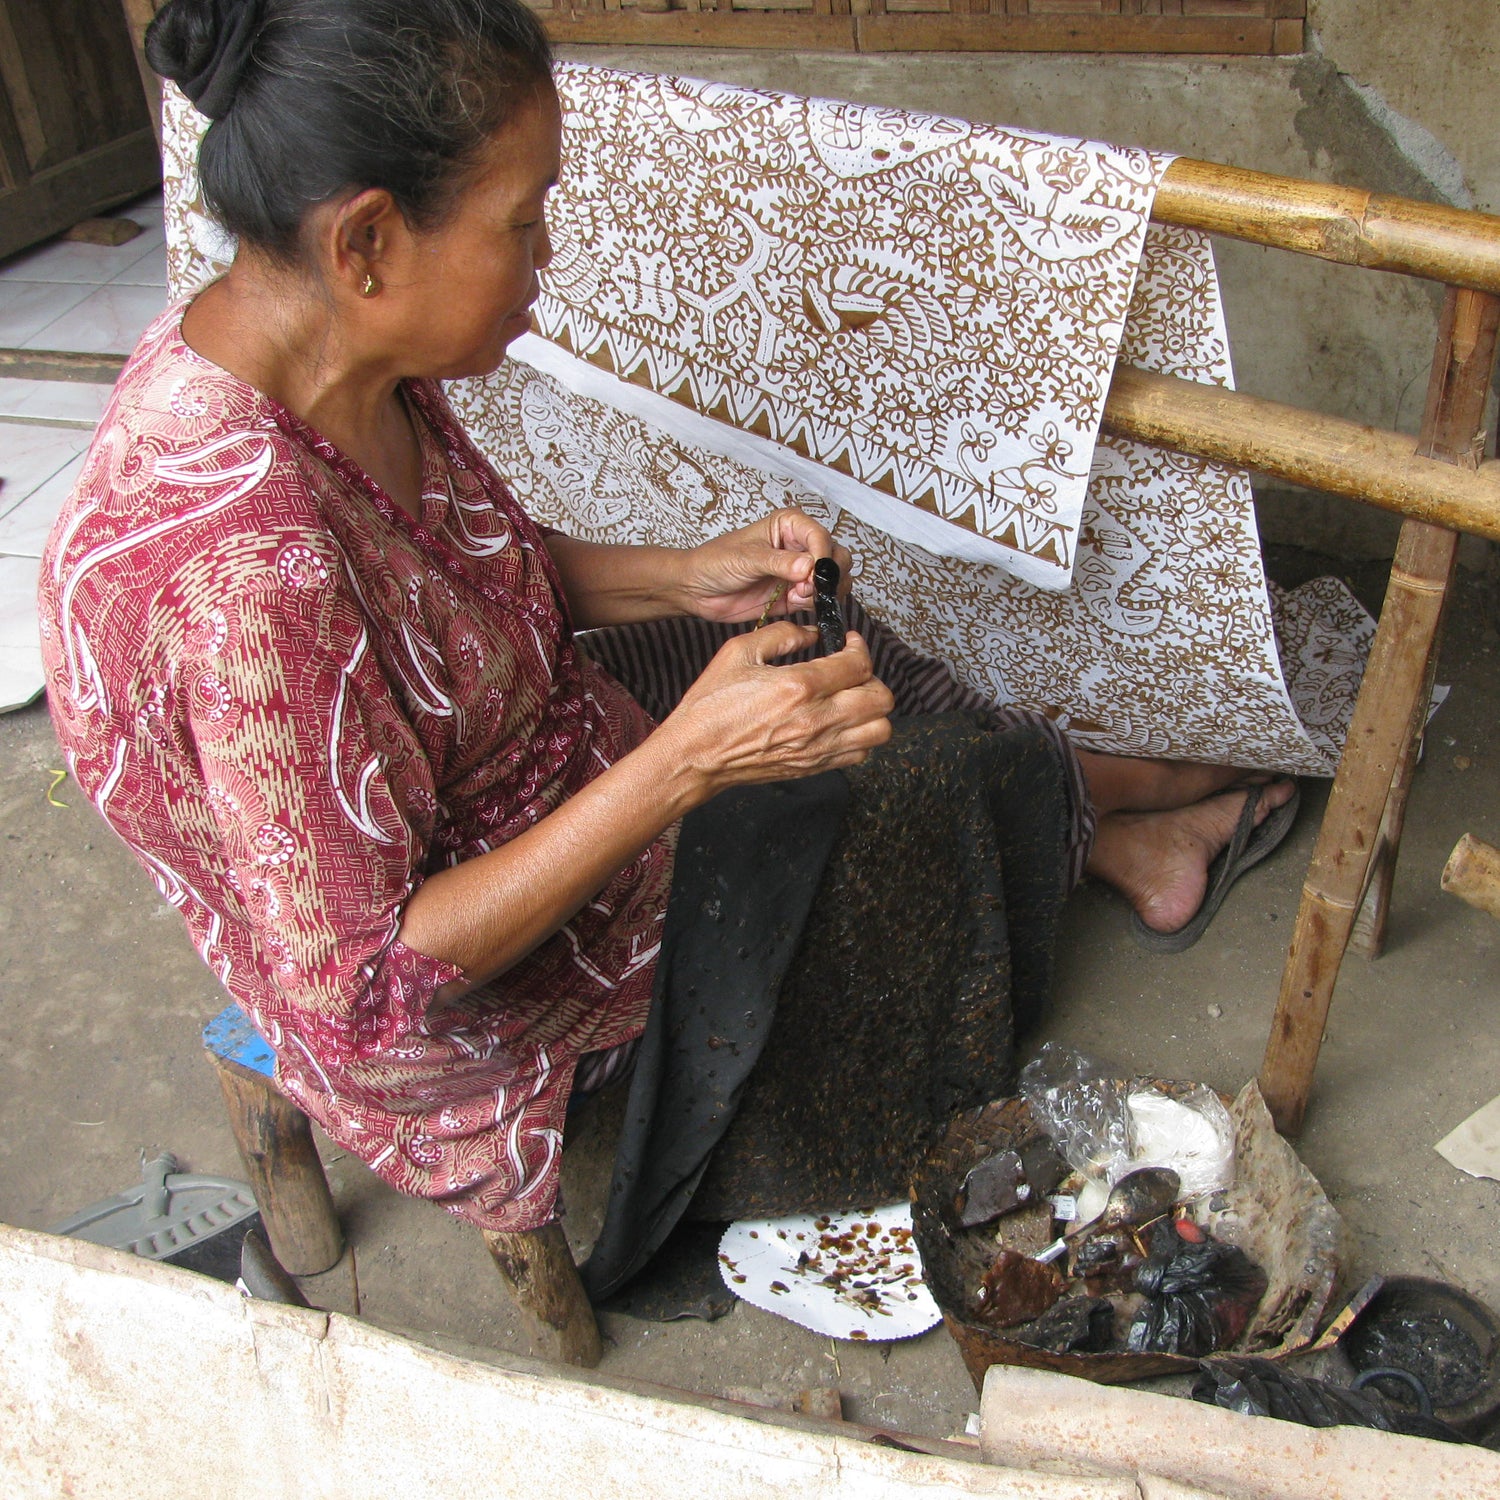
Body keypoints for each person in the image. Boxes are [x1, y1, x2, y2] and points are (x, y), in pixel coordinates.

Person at [41, 0, 1293, 1266]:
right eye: (522, 226)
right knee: (930, 774)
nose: (542, 270)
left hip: (512, 775)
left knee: (838, 658)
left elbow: (466, 579)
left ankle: (1087, 806)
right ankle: (1099, 806)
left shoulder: (324, 351)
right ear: (366, 238)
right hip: (508, 1027)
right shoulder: (246, 579)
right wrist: (686, 762)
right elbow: (372, 988)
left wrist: (688, 579)